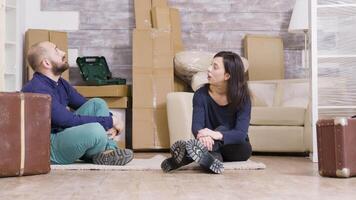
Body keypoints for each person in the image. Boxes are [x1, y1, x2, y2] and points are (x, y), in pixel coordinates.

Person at [22, 41, 133, 165]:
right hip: (48, 146)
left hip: (61, 135)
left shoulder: (61, 83)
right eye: (57, 50)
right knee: (96, 129)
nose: (63, 53)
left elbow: (86, 105)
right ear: (46, 63)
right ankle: (103, 152)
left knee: (97, 103)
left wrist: (113, 119)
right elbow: (67, 120)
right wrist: (111, 122)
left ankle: (109, 151)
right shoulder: (37, 88)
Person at [161, 51, 252, 174]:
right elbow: (197, 127)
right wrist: (206, 136)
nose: (208, 69)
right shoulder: (201, 94)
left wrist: (216, 134)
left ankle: (187, 156)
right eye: (210, 65)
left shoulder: (243, 97)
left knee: (229, 135)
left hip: (235, 147)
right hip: (207, 144)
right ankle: (208, 158)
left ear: (227, 76)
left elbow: (240, 133)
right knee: (212, 158)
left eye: (215, 67)